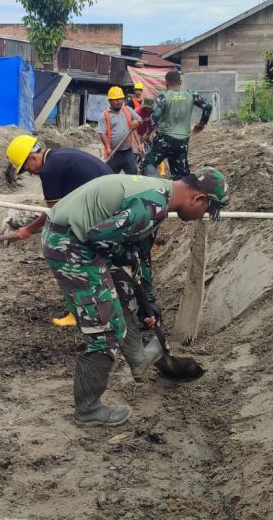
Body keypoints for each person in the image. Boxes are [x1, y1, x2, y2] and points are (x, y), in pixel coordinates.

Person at [41, 167, 229, 426]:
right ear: (199, 199)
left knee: (126, 292)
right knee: (106, 331)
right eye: (206, 211)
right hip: (70, 245)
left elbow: (141, 253)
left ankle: (139, 359)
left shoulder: (159, 196)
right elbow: (99, 237)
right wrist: (122, 254)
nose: (202, 217)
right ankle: (88, 409)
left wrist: (148, 302)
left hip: (77, 239)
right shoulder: (150, 206)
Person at [6, 134, 113, 327]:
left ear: (33, 157)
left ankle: (80, 311)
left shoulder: (50, 170)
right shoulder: (60, 156)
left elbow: (53, 213)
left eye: (26, 168)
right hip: (107, 206)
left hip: (104, 211)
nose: (29, 173)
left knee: (62, 253)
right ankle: (99, 305)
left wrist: (28, 229)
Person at [141, 69, 213, 179]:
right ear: (180, 82)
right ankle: (183, 193)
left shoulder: (163, 96)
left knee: (147, 166)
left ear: (166, 83)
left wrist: (147, 133)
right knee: (181, 176)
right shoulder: (191, 94)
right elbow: (208, 106)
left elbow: (155, 115)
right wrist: (202, 123)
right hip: (182, 142)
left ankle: (155, 189)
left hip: (165, 139)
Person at [97, 86, 142, 174]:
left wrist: (136, 121)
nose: (118, 101)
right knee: (109, 176)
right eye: (115, 99)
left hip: (127, 152)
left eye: (120, 99)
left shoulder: (128, 110)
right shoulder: (104, 115)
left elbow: (140, 120)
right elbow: (102, 134)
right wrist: (108, 148)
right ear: (110, 101)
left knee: (133, 175)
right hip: (113, 153)